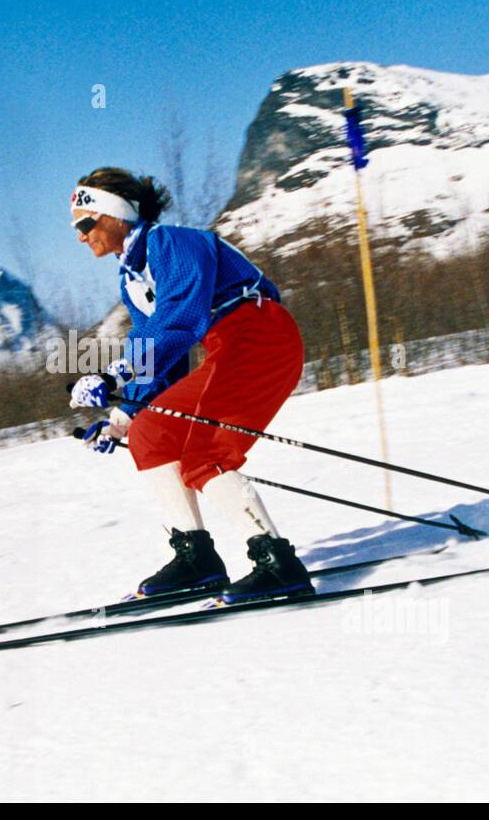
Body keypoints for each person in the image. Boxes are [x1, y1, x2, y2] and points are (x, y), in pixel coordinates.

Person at [67, 167, 312, 604]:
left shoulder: (171, 243)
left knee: (205, 453)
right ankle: (197, 559)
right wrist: (123, 417)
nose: (81, 236)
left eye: (86, 223)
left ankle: (278, 565)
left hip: (261, 338)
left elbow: (181, 319)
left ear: (116, 214)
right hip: (227, 348)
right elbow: (162, 349)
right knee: (153, 433)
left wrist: (116, 374)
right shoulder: (133, 277)